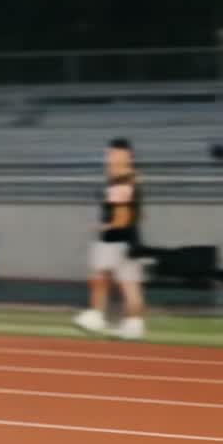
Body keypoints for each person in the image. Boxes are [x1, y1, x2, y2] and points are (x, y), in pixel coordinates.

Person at [74, 138, 147, 340]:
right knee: (129, 283)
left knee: (99, 277)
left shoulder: (121, 178)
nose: (109, 157)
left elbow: (121, 215)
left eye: (113, 153)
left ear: (126, 155)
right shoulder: (131, 178)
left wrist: (104, 226)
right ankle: (134, 325)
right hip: (131, 238)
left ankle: (96, 315)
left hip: (114, 239)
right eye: (109, 153)